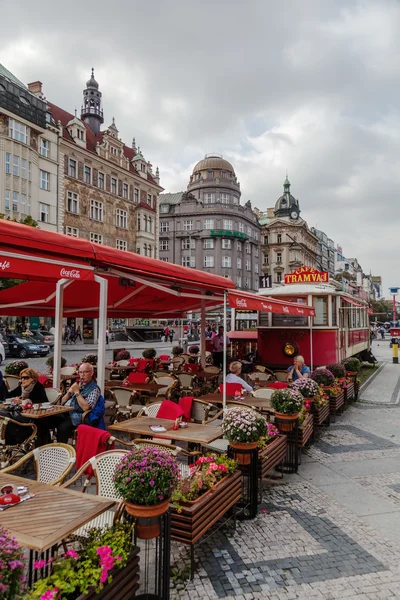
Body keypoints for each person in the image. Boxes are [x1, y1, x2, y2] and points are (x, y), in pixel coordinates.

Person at [50, 363, 101, 443]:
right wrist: (68, 393)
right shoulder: (78, 384)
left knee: (62, 427)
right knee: (47, 420)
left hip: (78, 416)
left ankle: (62, 451)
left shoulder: (94, 389)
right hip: (66, 412)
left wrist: (77, 392)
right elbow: (61, 403)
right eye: (80, 372)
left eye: (85, 372)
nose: (82, 375)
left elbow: (86, 407)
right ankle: (44, 446)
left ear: (92, 373)